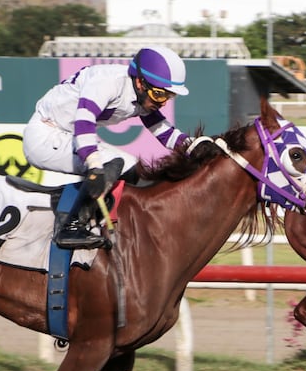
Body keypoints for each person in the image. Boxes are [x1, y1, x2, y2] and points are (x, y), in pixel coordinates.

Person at [23, 46, 192, 249]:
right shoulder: (107, 82)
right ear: (140, 82)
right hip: (45, 135)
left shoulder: (142, 95)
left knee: (134, 169)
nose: (163, 103)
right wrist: (93, 163)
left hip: (66, 134)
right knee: (112, 163)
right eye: (158, 95)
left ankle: (106, 223)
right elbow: (84, 121)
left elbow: (163, 131)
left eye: (168, 97)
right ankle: (70, 228)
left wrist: (195, 146)